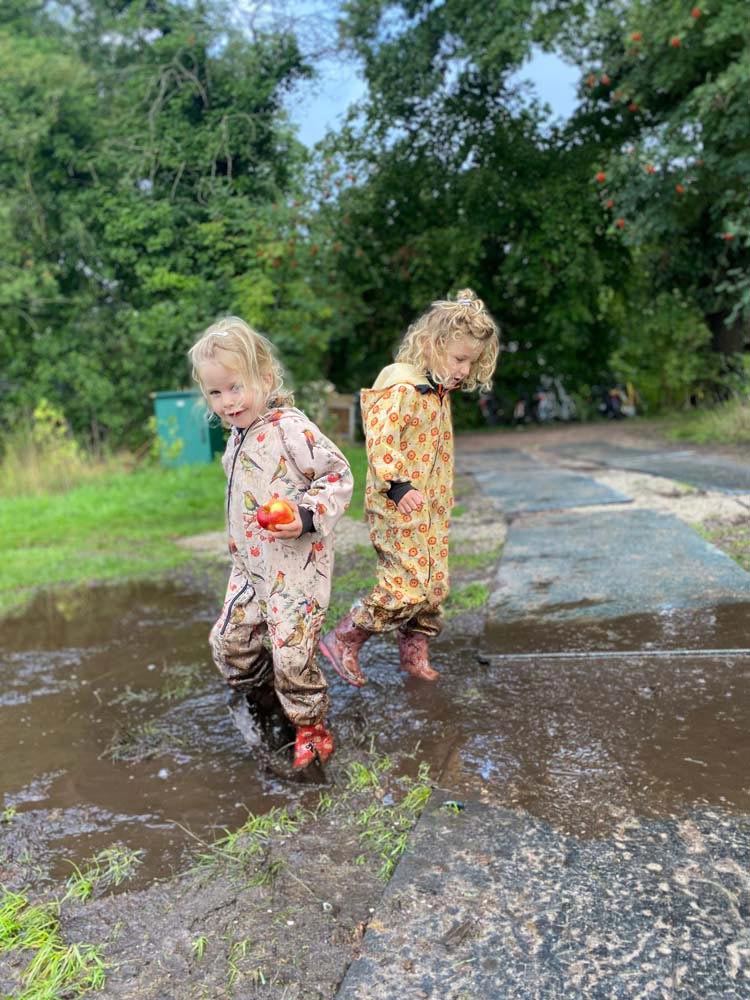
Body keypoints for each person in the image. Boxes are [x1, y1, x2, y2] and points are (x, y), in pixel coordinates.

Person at [188, 316, 353, 769]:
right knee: (228, 643)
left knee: (293, 653)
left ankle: (310, 725)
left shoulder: (289, 428)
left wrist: (305, 515)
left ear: (264, 378)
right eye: (215, 393)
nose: (226, 402)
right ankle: (266, 697)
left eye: (235, 388)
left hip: (296, 572)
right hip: (251, 570)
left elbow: (338, 474)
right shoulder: (236, 439)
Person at [320, 288, 499, 686]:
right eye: (459, 359)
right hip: (397, 502)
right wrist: (397, 485)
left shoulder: (435, 391)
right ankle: (346, 637)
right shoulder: (402, 386)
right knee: (407, 585)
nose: (464, 370)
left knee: (433, 585)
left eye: (471, 362)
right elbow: (381, 439)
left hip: (430, 506)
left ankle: (413, 651)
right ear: (432, 345)